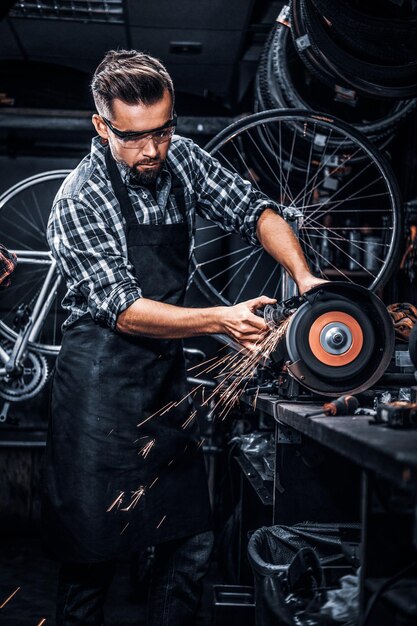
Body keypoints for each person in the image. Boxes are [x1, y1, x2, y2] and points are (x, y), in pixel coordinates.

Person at [43, 49, 325, 626]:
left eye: (164, 131)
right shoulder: (79, 198)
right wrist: (220, 319)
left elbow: (257, 212)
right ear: (102, 125)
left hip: (163, 387)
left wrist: (305, 275)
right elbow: (123, 310)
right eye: (135, 137)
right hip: (99, 392)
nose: (152, 150)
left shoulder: (183, 161)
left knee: (189, 540)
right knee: (93, 560)